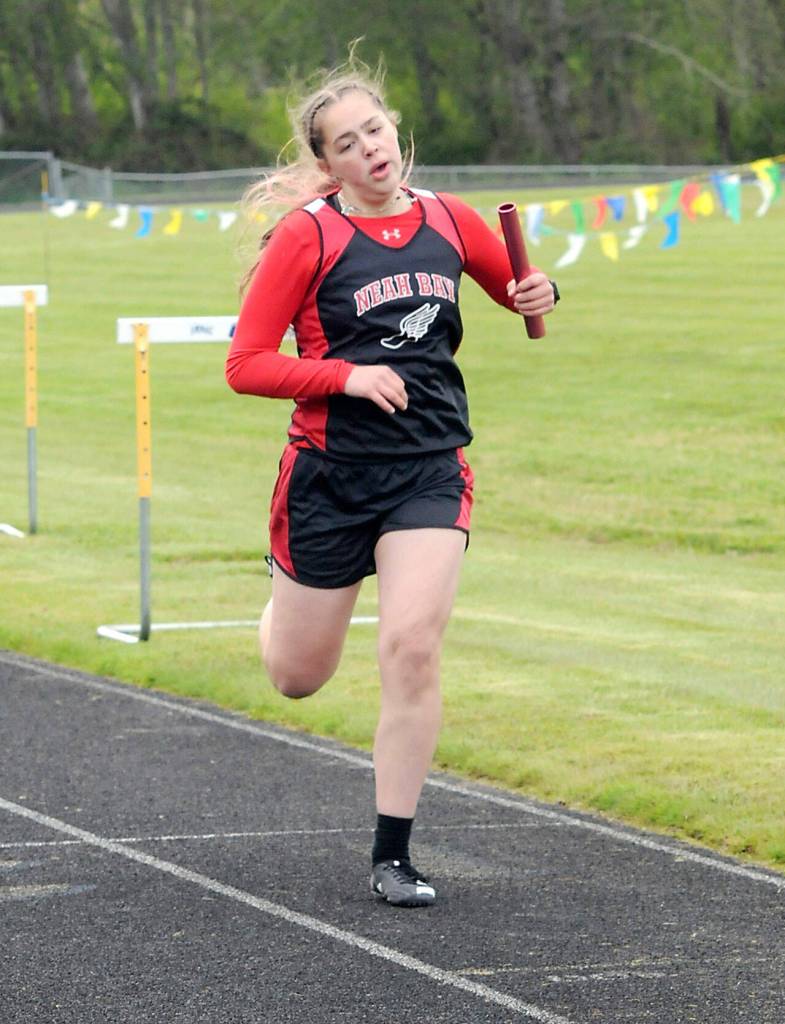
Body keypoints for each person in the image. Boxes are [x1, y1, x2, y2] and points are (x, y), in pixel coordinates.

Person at [225, 54, 558, 908]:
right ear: (327, 163)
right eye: (348, 142)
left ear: (394, 131)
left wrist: (538, 291)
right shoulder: (309, 235)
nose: (371, 148)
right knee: (298, 676)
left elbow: (519, 292)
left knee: (411, 645)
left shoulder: (448, 218)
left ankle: (393, 854)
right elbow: (246, 365)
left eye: (375, 129)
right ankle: (280, 602)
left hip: (428, 468)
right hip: (329, 478)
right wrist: (344, 378)